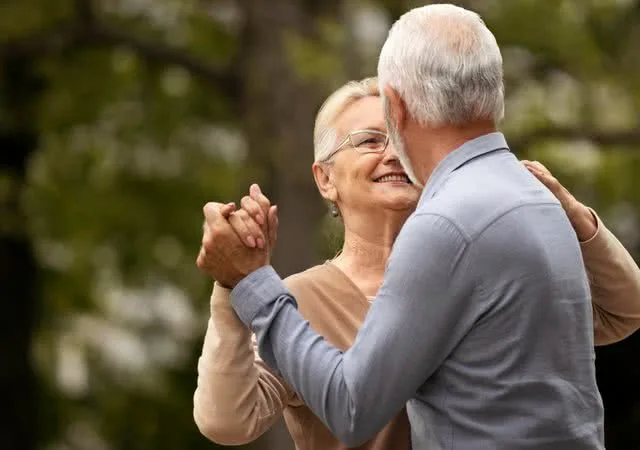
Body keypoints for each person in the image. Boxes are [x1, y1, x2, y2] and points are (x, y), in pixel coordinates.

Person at [197, 4, 634, 449]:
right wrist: (233, 286)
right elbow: (227, 421)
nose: (391, 151)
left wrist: (575, 217)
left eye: (391, 129)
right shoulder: (303, 298)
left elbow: (625, 311)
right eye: (368, 140)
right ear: (324, 178)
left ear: (404, 113)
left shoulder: (474, 250)